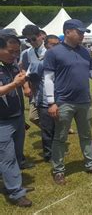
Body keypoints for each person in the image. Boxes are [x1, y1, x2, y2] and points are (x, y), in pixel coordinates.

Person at [43, 19, 92, 185]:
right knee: (60, 137)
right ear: (67, 32)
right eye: (79, 32)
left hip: (84, 101)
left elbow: (91, 72)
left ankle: (91, 164)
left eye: (83, 33)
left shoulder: (86, 52)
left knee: (86, 135)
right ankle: (58, 170)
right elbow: (48, 78)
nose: (82, 36)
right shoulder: (54, 53)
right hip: (63, 102)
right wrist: (51, 102)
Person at [0, 32, 33, 207]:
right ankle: (15, 192)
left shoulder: (12, 64)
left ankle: (11, 182)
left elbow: (21, 77)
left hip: (17, 117)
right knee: (8, 157)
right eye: (11, 51)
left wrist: (26, 85)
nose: (14, 55)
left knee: (17, 154)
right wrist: (14, 84)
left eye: (16, 52)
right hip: (2, 121)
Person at [27, 35, 60, 162]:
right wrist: (36, 99)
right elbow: (33, 83)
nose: (56, 47)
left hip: (59, 101)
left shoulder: (59, 61)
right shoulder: (39, 62)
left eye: (58, 44)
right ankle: (49, 155)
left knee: (57, 128)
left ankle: (57, 151)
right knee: (47, 130)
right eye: (53, 44)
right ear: (46, 45)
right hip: (44, 102)